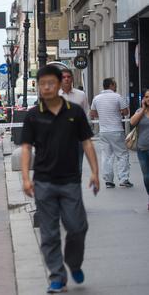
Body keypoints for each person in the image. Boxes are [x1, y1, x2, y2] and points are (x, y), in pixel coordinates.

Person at [20, 65, 99, 293]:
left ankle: (74, 263)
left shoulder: (74, 112)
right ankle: (57, 276)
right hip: (43, 182)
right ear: (38, 86)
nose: (46, 87)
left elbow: (87, 142)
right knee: (49, 232)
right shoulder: (33, 116)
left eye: (50, 83)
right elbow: (26, 148)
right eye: (42, 83)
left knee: (77, 227)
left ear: (60, 84)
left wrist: (94, 172)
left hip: (70, 181)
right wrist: (26, 178)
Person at [90, 78, 132, 188]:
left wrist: (104, 115)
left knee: (106, 156)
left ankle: (108, 181)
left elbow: (93, 113)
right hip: (117, 130)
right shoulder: (117, 96)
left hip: (103, 131)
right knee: (122, 155)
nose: (116, 86)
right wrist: (116, 112)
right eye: (115, 84)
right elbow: (126, 112)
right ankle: (123, 179)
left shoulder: (96, 98)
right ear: (111, 85)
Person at [59, 68, 90, 172]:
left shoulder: (81, 95)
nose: (66, 79)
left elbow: (87, 113)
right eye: (63, 77)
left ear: (72, 79)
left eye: (68, 77)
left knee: (78, 167)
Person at [129, 89, 149, 211]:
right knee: (147, 177)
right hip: (142, 149)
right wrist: (142, 110)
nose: (148, 99)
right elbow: (132, 122)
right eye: (147, 97)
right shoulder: (140, 111)